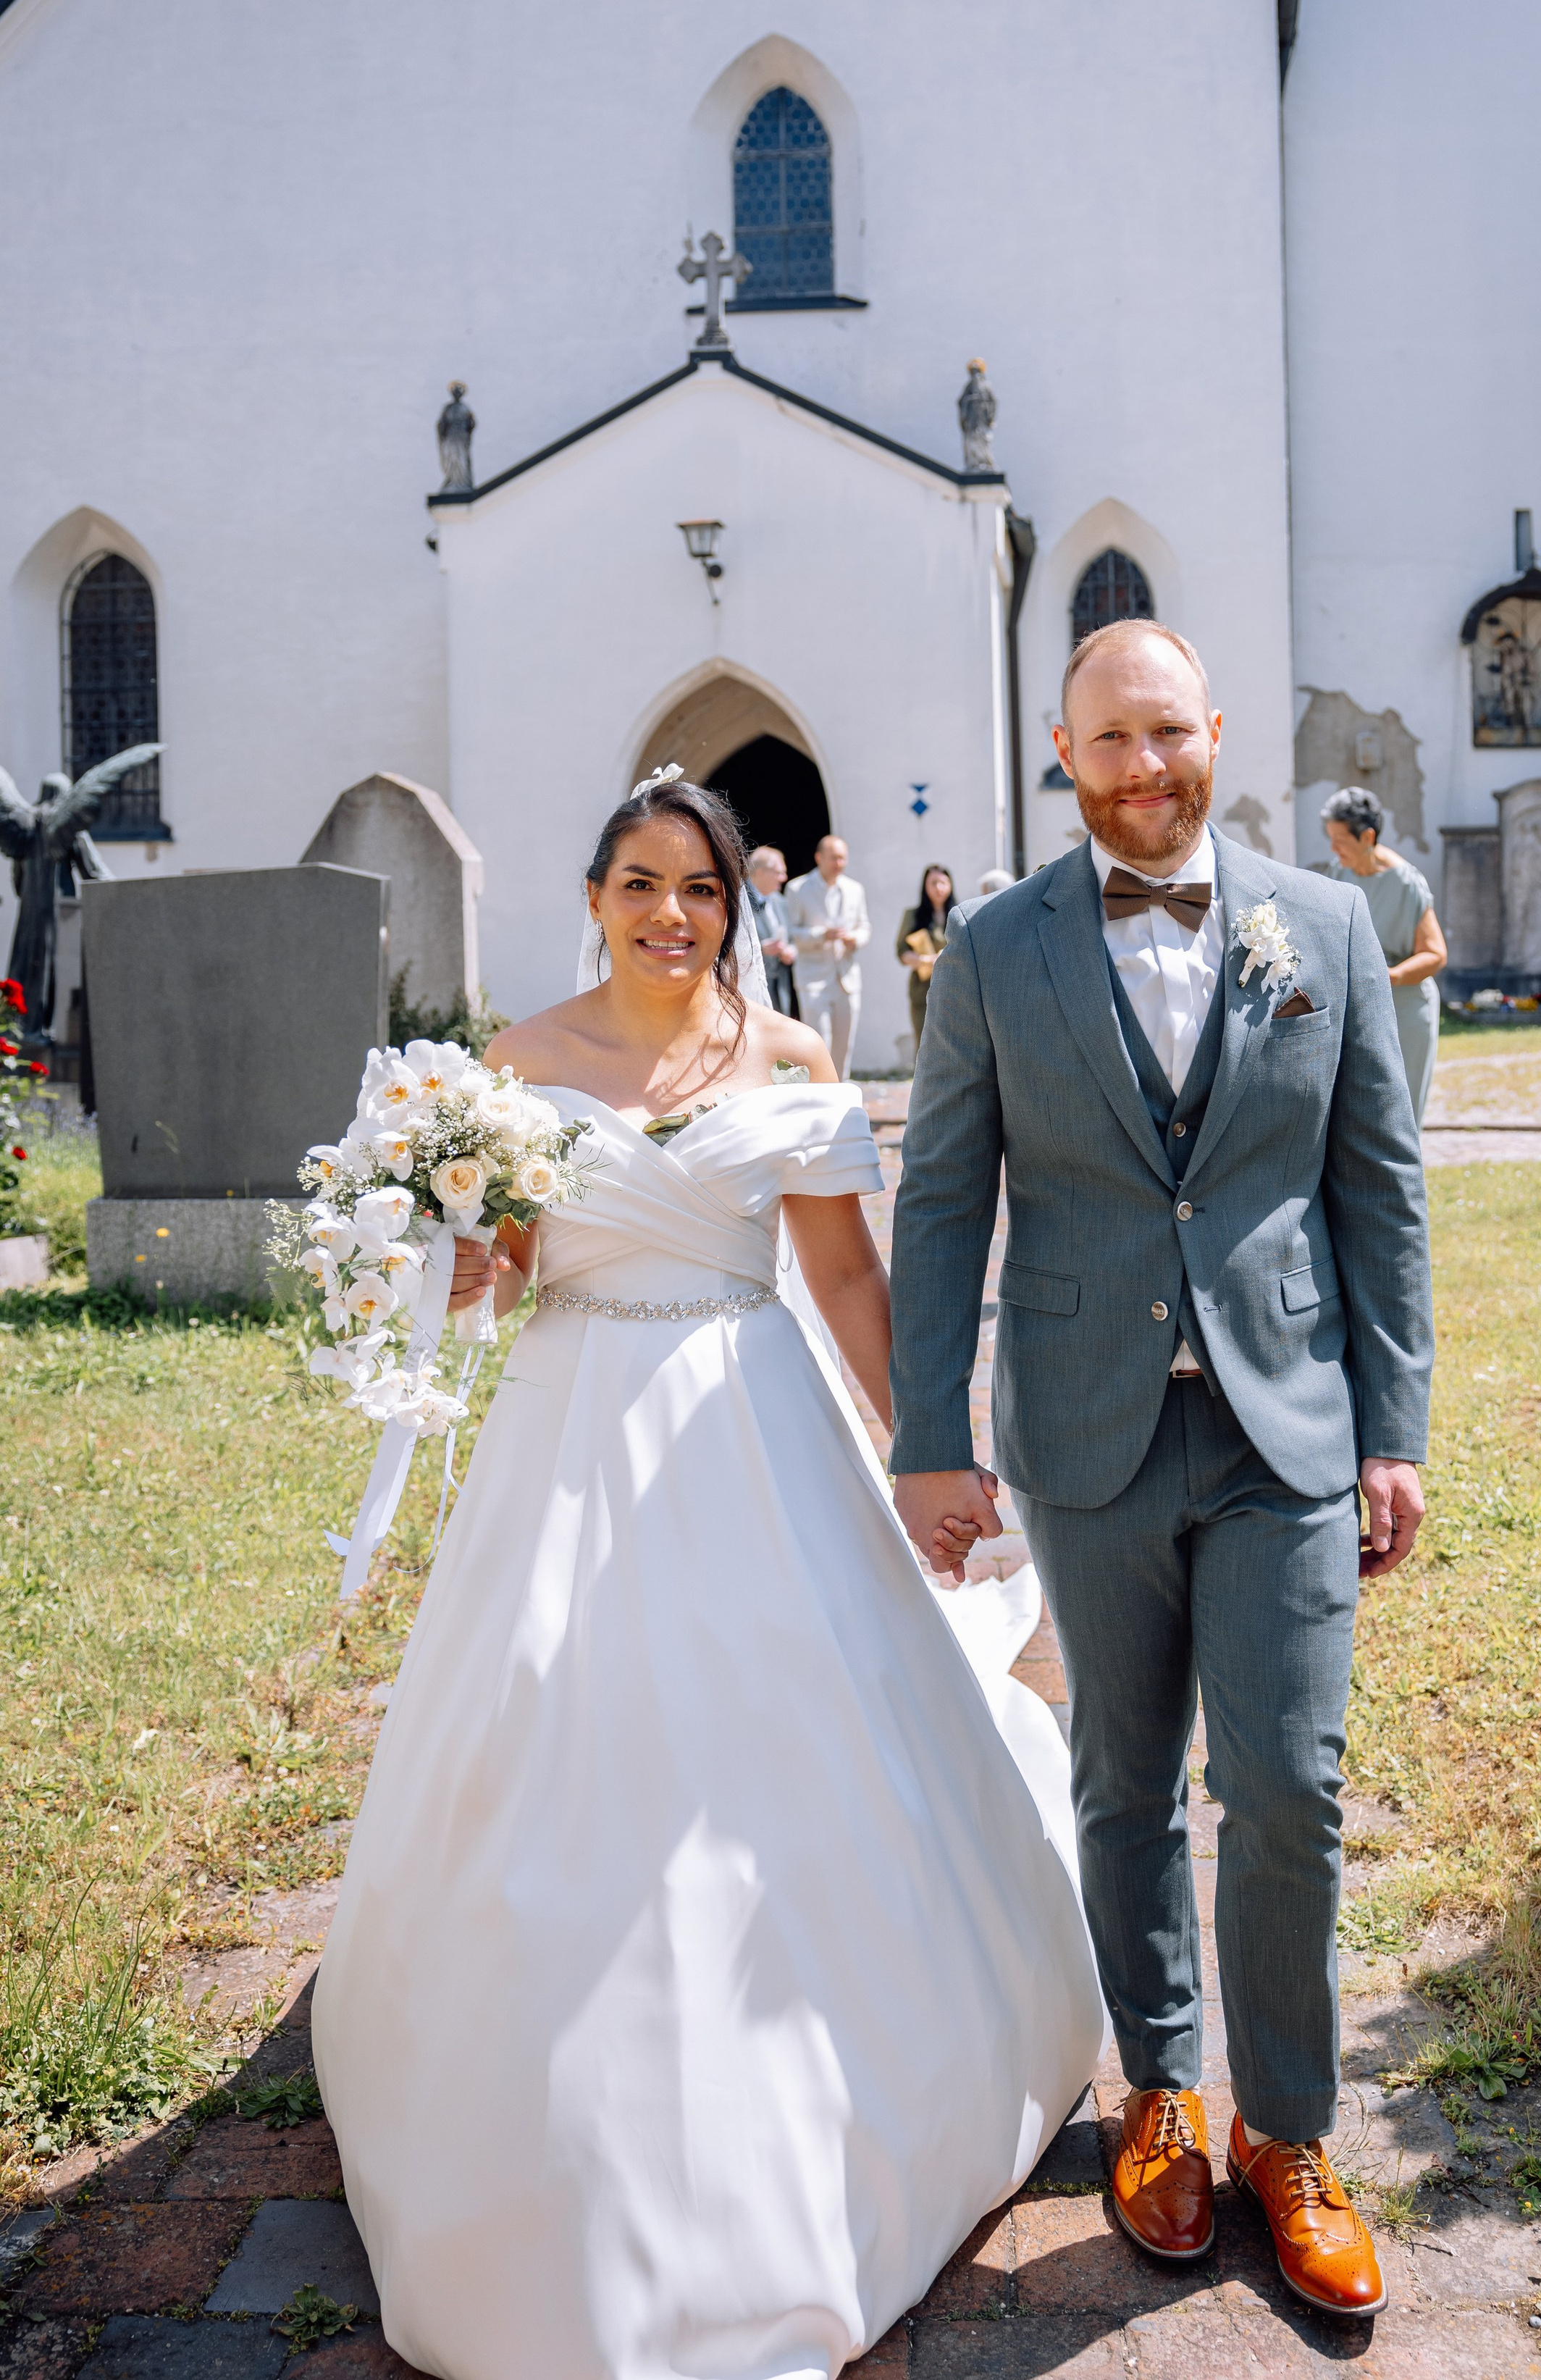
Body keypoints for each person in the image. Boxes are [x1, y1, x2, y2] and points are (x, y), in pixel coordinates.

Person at [312, 774, 1100, 2380]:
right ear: (591, 891)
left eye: (698, 889)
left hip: (754, 1417)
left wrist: (925, 1450)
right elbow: (503, 1277)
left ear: (735, 906)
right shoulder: (510, 1067)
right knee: (555, 1738)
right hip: (569, 1431)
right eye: (636, 882)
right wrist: (448, 1260)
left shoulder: (791, 1059)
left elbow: (843, 1277)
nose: (668, 914)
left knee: (790, 1744)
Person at [888, 619, 1432, 2323]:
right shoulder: (989, 949)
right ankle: (1161, 2094)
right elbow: (938, 1200)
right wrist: (927, 1438)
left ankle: (1286, 2131)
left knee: (1286, 1784)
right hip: (1083, 1417)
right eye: (1105, 743)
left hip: (1286, 1422)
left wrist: (1396, 1424)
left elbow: (1377, 1190)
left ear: (1214, 729)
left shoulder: (1325, 927)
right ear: (1064, 754)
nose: (1141, 770)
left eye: (1166, 735)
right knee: (1124, 1784)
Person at [1317, 787, 1448, 1124]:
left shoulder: (1407, 883)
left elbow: (1435, 954)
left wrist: (1387, 977)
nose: (1333, 849)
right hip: (1356, 1009)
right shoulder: (1338, 873)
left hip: (1406, 1010)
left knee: (1402, 1116)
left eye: (1341, 840)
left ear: (1368, 837)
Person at [786, 831, 870, 1073]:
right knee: (818, 1043)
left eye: (843, 858)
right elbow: (791, 931)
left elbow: (865, 927)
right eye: (834, 858)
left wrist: (854, 939)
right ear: (818, 858)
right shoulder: (797, 888)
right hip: (813, 977)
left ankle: (841, 1095)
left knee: (845, 1045)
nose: (839, 864)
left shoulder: (855, 889)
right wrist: (821, 934)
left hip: (847, 977)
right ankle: (819, 1097)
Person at [896, 862, 955, 1055]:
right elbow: (901, 951)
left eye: (943, 883)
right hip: (922, 987)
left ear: (950, 885)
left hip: (953, 986)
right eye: (933, 883)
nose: (938, 888)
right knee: (924, 1042)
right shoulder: (913, 915)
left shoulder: (958, 914)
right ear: (925, 886)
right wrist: (923, 960)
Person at [745, 840, 799, 1018]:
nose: (784, 878)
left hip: (781, 983)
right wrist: (761, 949)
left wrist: (791, 950)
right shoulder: (740, 901)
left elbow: (791, 937)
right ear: (760, 872)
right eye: (779, 873)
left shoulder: (780, 902)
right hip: (752, 988)